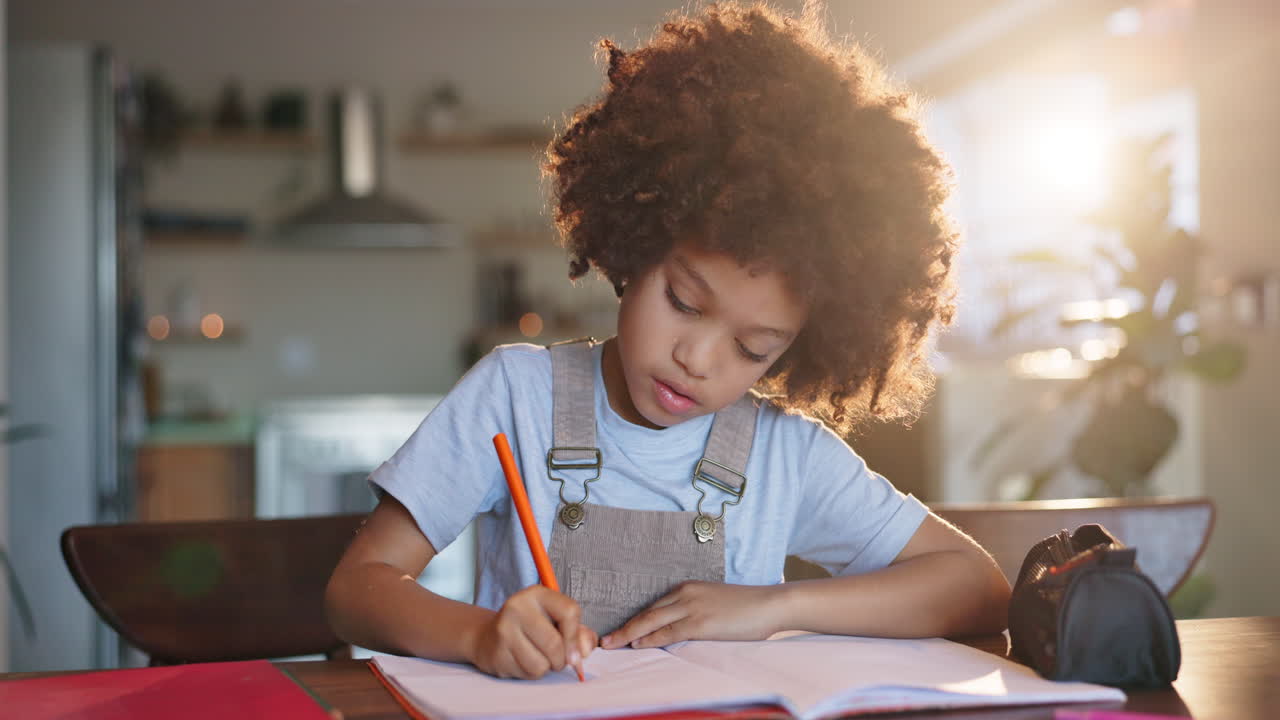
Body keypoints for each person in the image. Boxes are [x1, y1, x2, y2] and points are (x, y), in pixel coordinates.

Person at [325, 1, 1011, 681]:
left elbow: (976, 587)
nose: (698, 359)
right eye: (683, 302)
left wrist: (775, 606)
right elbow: (355, 590)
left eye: (754, 349)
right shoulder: (515, 397)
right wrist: (479, 634)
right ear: (634, 242)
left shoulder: (784, 457)